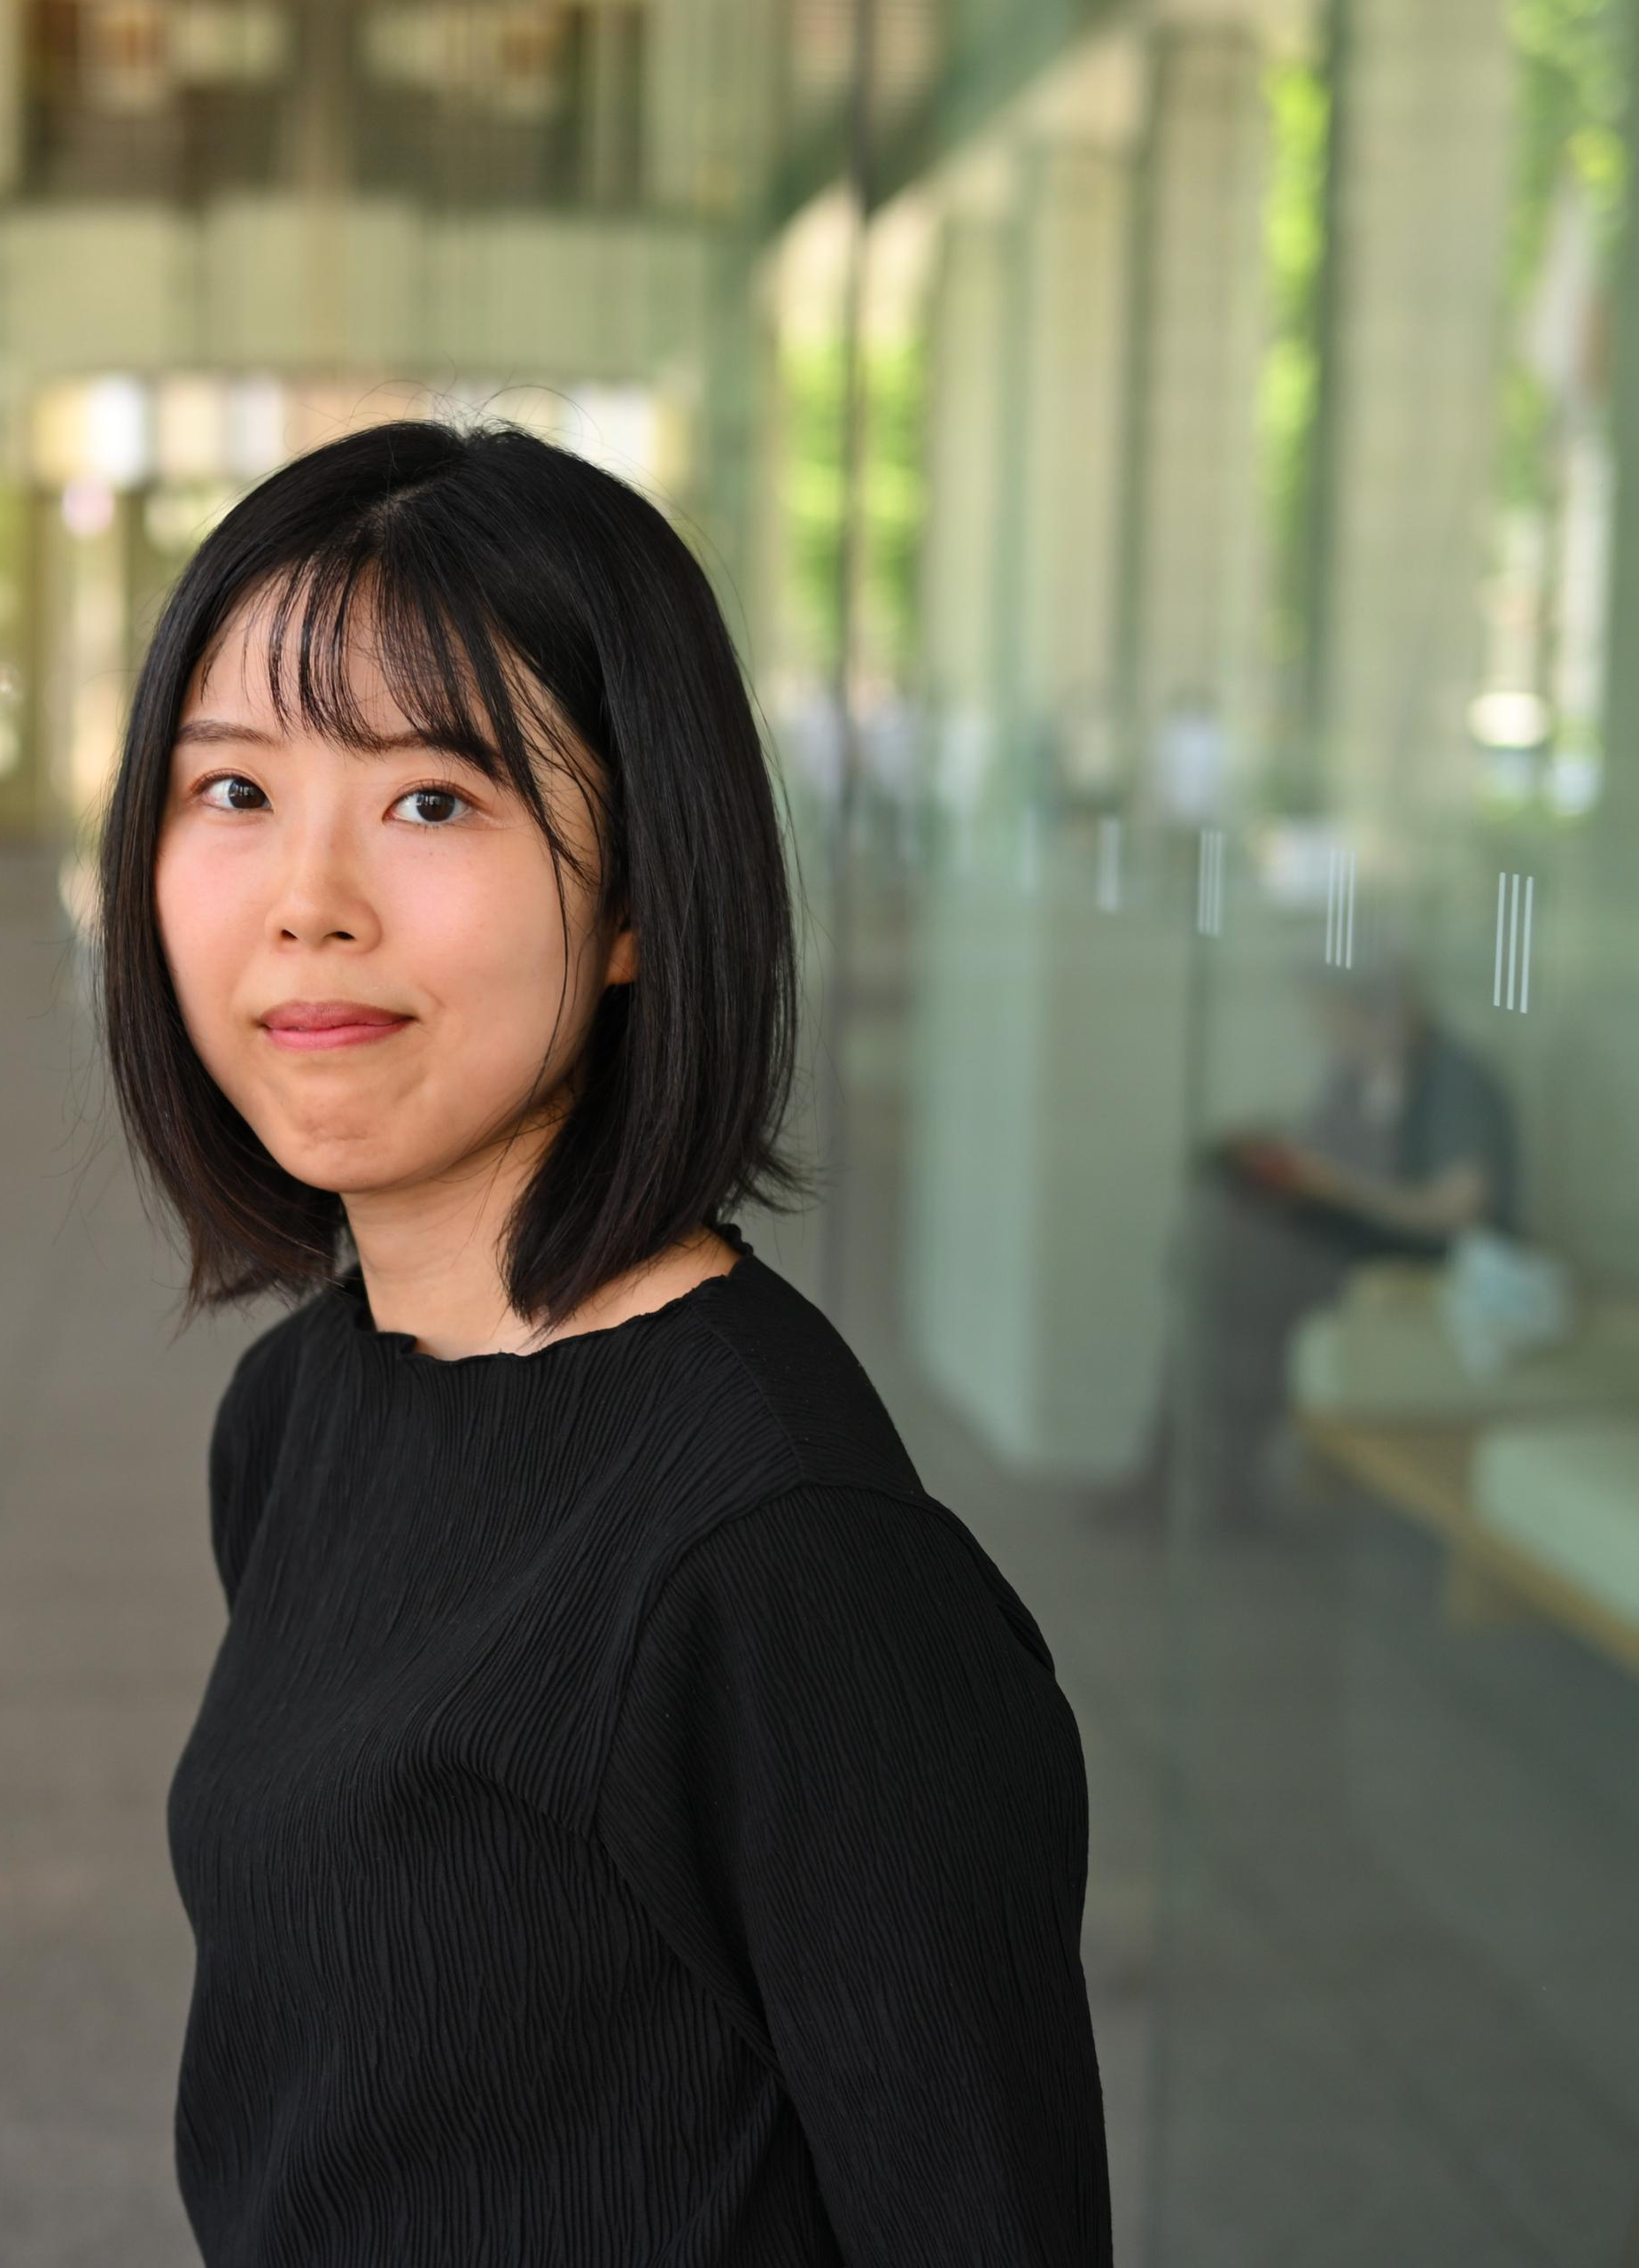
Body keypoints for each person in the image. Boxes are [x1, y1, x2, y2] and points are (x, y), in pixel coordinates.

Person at [94, 419, 1113, 2264]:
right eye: (231, 789)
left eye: (430, 800)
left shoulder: (784, 1562)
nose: (306, 898)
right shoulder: (299, 1411)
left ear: (639, 892)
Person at [1100, 941, 1519, 1534]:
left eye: (1331, 1011)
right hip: (1352, 1242)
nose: (1324, 1028)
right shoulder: (1357, 1071)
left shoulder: (1455, 1077)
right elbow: (1322, 1153)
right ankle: (1181, 1475)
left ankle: (1200, 1482)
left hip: (1428, 1264)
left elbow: (1458, 1210)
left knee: (1234, 1267)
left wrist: (1342, 1187)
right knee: (1219, 1231)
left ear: (1374, 1007)